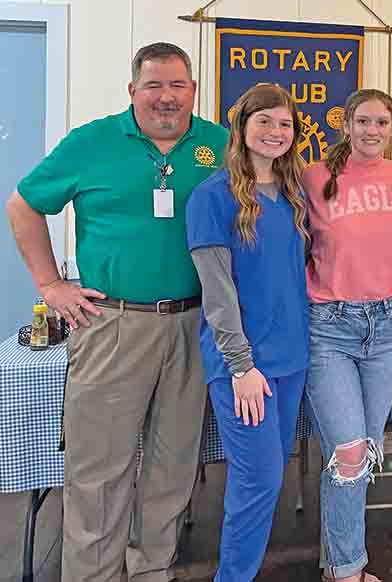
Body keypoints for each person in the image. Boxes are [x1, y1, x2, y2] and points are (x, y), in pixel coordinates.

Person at [5, 42, 227, 581]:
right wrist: (50, 284)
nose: (166, 97)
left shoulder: (220, 144)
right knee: (98, 472)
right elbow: (23, 204)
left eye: (177, 85)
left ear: (193, 90)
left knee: (173, 467)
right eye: (154, 85)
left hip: (194, 325)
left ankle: (153, 570)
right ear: (133, 92)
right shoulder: (92, 142)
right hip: (113, 324)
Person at [185, 83, 309, 581]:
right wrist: (241, 367)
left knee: (267, 477)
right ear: (241, 127)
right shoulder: (211, 198)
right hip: (243, 366)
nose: (275, 132)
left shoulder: (294, 195)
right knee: (257, 479)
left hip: (291, 360)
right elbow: (218, 295)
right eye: (265, 121)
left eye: (285, 124)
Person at [302, 88, 392, 582]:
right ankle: (349, 570)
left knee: (362, 453)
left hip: (389, 327)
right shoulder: (313, 177)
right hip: (330, 327)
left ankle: (337, 565)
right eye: (363, 121)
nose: (372, 131)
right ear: (346, 124)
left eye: (382, 123)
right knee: (349, 451)